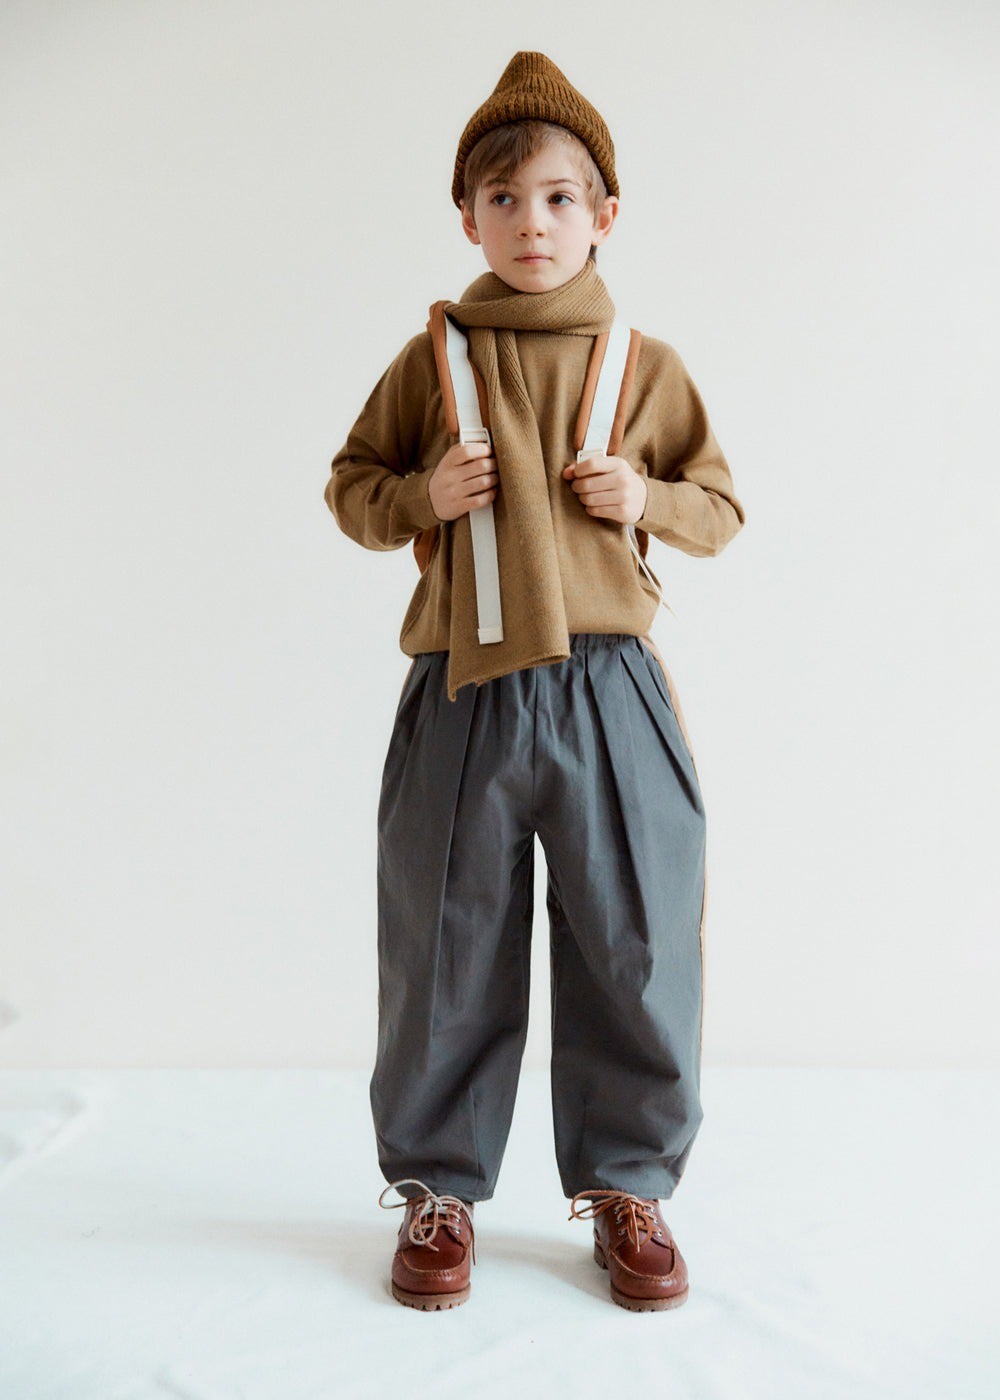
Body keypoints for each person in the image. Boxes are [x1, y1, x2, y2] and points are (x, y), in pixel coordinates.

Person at [323, 50, 746, 1313]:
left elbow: (720, 508)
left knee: (635, 936)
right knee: (444, 939)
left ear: (604, 213)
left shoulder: (640, 364)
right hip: (464, 687)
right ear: (467, 217)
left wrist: (644, 496)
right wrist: (420, 495)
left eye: (559, 197)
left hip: (609, 687)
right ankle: (437, 1187)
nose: (531, 223)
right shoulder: (432, 362)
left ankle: (628, 1185)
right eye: (502, 199)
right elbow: (351, 486)